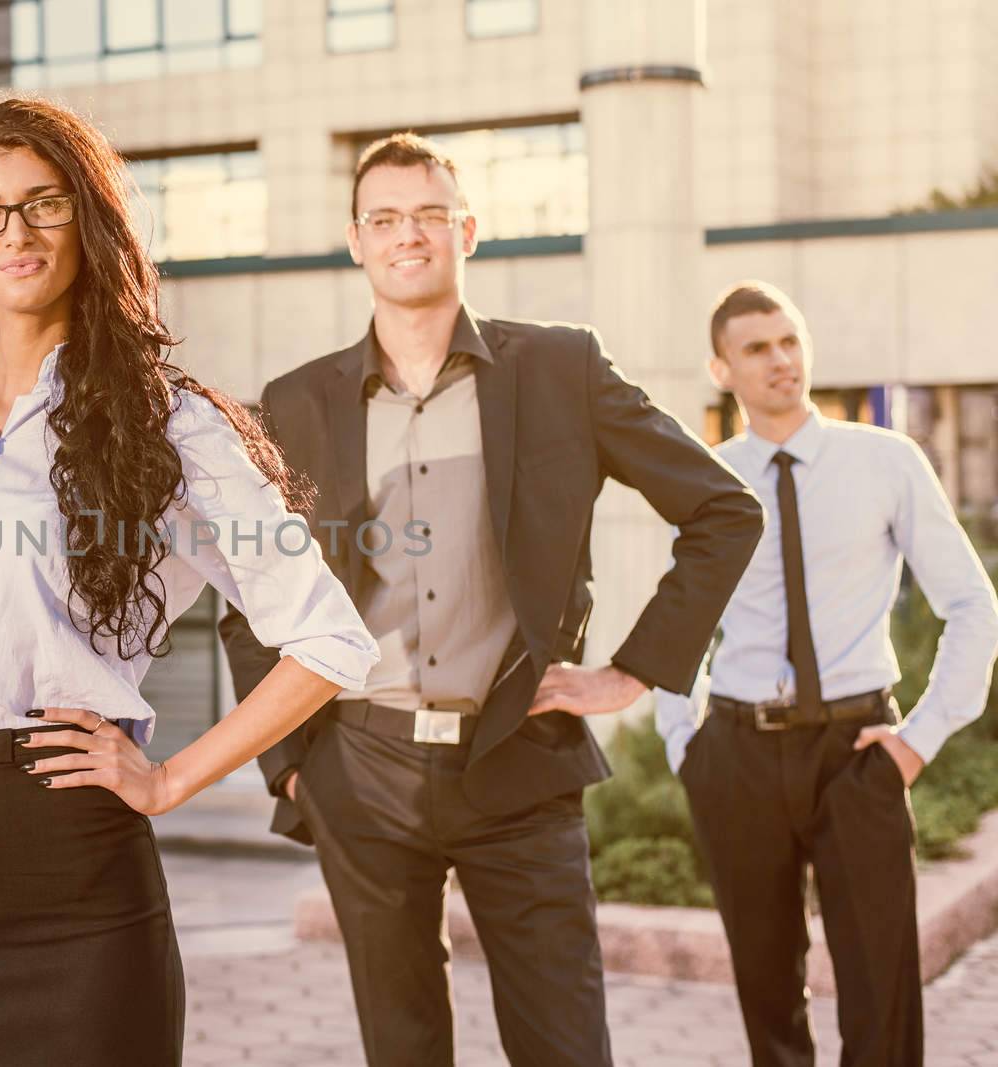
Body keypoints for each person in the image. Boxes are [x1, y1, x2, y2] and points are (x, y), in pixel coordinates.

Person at [0, 97, 378, 1067]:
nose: (14, 231)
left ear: (89, 223)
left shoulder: (170, 420)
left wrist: (168, 778)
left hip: (65, 854)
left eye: (43, 204)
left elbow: (328, 638)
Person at [218, 132, 766, 1067]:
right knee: (404, 1047)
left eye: (430, 214)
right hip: (362, 769)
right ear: (356, 241)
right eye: (385, 218)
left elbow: (723, 509)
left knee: (565, 1047)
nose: (409, 235)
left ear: (468, 230)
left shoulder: (561, 369)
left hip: (520, 764)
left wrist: (632, 671)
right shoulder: (296, 402)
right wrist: (294, 761)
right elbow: (249, 592)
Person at [655, 281, 998, 1067]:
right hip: (737, 754)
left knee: (882, 998)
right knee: (767, 996)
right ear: (722, 368)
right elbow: (675, 625)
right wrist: (688, 747)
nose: (781, 360)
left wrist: (919, 739)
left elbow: (973, 606)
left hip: (858, 752)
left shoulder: (885, 461)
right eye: (756, 348)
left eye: (789, 340)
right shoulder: (705, 479)